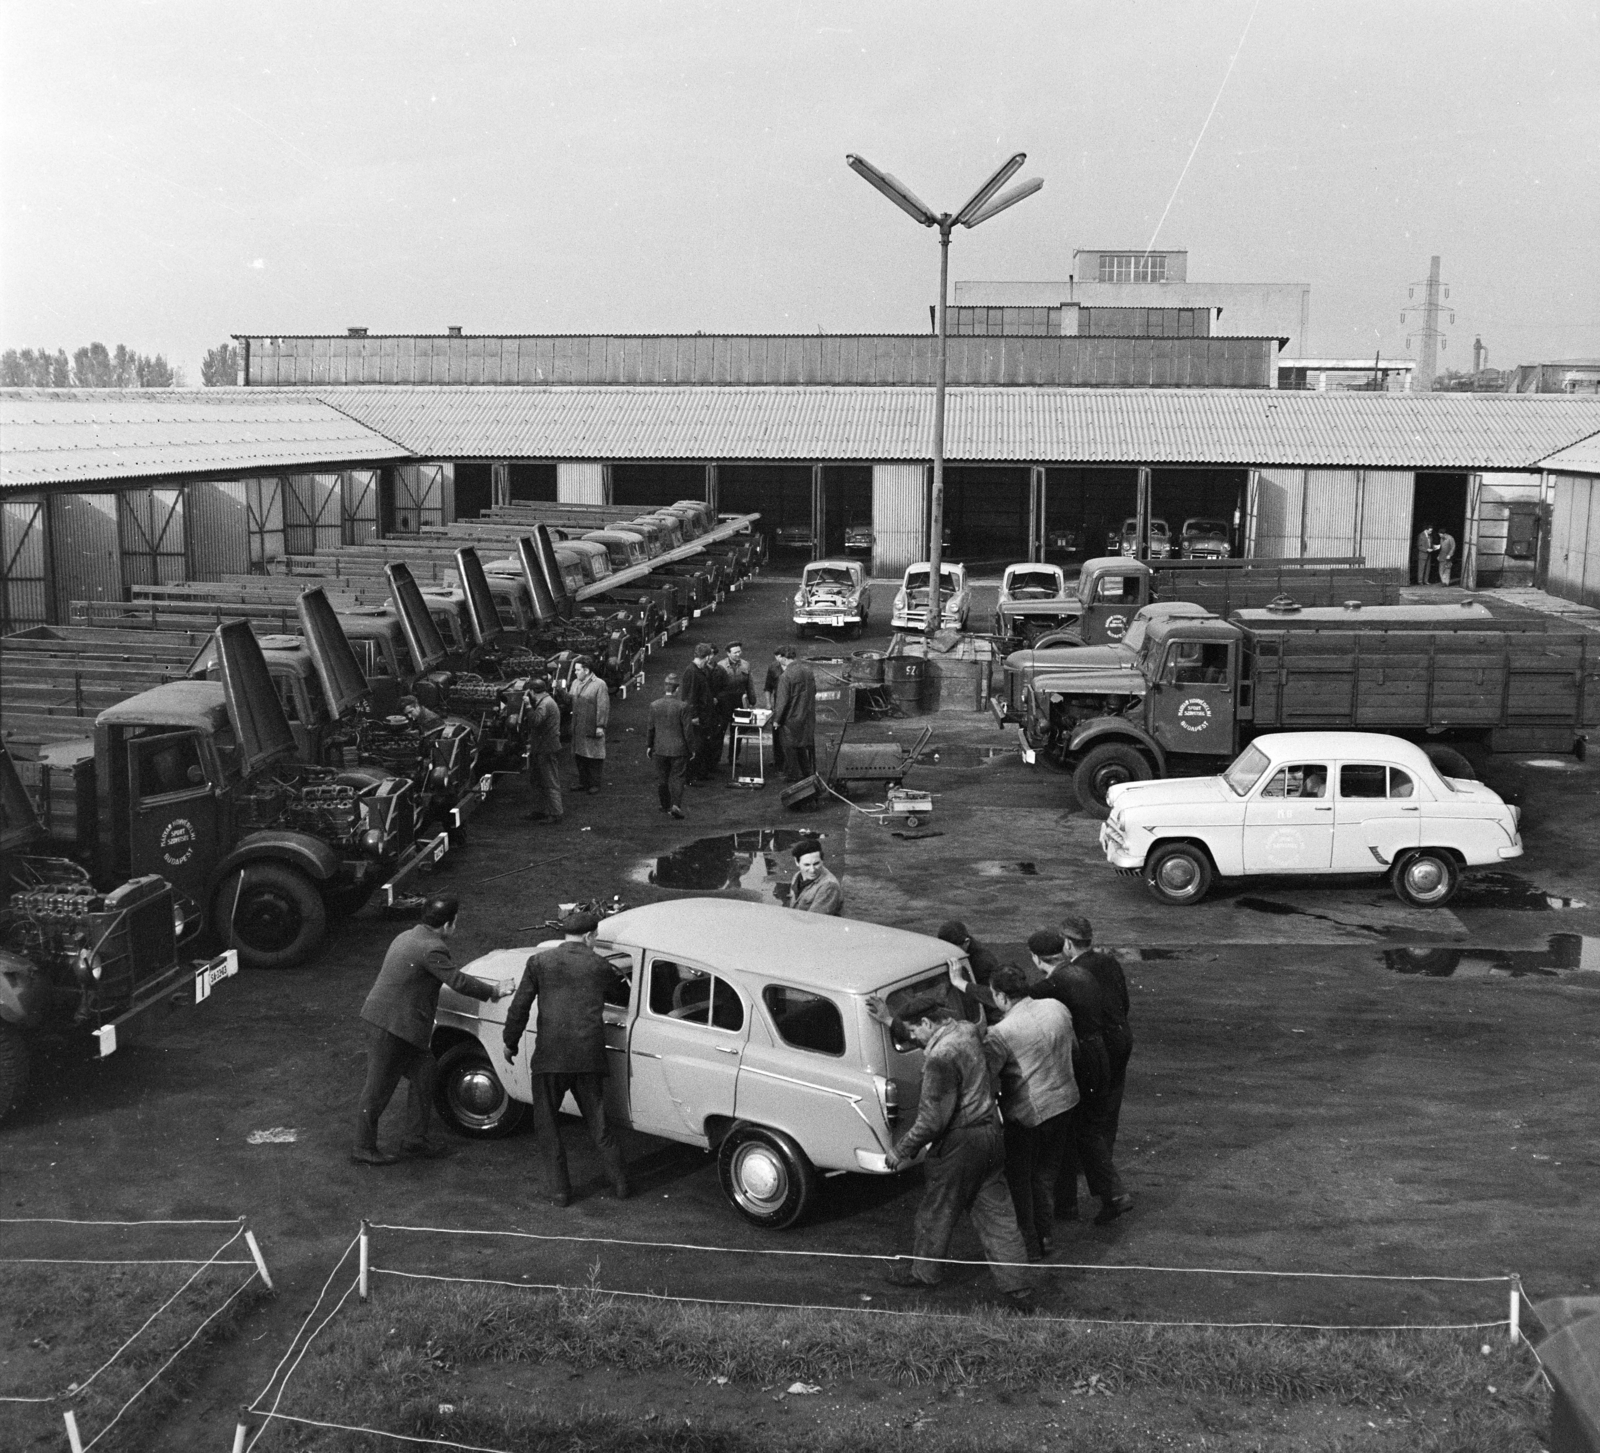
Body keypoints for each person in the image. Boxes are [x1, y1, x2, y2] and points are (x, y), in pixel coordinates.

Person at [862, 993, 1036, 1310]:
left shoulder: (939, 1060)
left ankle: (925, 1273)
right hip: (991, 1136)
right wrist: (891, 1019)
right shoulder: (967, 1029)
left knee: (936, 1211)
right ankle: (1019, 1289)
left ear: (927, 1023)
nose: (911, 1040)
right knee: (999, 1217)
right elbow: (934, 1031)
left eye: (914, 1032)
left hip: (959, 1145)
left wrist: (900, 1150)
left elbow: (931, 1121)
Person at [352, 897, 509, 1165]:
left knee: (425, 1072)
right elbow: (457, 981)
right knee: (377, 1088)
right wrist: (495, 991)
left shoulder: (407, 936)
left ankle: (415, 1140)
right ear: (448, 924)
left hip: (393, 1022)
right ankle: (363, 1148)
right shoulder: (432, 948)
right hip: (393, 1027)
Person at [501, 908, 631, 1207]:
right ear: (588, 936)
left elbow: (520, 1005)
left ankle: (561, 1192)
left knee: (547, 1126)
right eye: (595, 936)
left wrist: (510, 1042)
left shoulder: (538, 962)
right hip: (589, 1057)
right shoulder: (600, 966)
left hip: (550, 1057)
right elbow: (619, 994)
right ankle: (621, 1183)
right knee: (599, 1124)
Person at [1023, 929, 1131, 1226]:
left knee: (1071, 1131)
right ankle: (1109, 1195)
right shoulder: (1081, 973)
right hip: (1100, 1057)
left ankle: (1077, 1203)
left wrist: (964, 985)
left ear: (1036, 958)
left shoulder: (1056, 982)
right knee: (1087, 1131)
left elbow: (1016, 1001)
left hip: (1081, 1060)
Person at [982, 963, 1079, 1261]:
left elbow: (989, 1077)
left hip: (1029, 1114)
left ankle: (1031, 1243)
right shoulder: (1056, 1008)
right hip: (1065, 1102)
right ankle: (1045, 1235)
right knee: (1046, 1176)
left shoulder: (1001, 1032)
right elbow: (1073, 1049)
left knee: (1021, 1182)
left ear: (999, 996)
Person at [1062, 916, 1132, 1158]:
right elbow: (1124, 1002)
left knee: (1090, 1106)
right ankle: (1104, 1156)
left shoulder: (1074, 973)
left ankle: (1092, 1163)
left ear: (1068, 944)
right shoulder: (1109, 962)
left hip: (1099, 1045)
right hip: (1122, 1037)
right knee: (1111, 1105)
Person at [647, 672, 695, 819]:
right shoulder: (683, 706)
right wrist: (691, 749)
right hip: (679, 749)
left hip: (660, 748)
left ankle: (665, 805)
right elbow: (687, 730)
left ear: (665, 687)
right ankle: (675, 805)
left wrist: (649, 745)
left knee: (662, 778)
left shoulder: (654, 705)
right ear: (677, 689)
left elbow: (651, 728)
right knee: (678, 777)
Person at [771, 647, 817, 782]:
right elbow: (814, 691)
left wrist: (776, 720)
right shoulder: (808, 671)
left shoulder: (786, 676)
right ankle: (807, 772)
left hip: (791, 719)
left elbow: (782, 701)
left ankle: (793, 774)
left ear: (785, 658)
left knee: (789, 746)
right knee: (801, 745)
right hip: (807, 716)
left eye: (779, 658)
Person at [522, 676, 563, 824]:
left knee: (549, 781)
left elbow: (535, 721)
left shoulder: (545, 704)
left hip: (546, 748)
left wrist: (527, 705)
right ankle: (541, 810)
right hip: (541, 747)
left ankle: (555, 813)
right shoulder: (546, 701)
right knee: (538, 780)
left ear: (532, 691)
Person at [568, 655, 609, 794]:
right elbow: (570, 699)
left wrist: (600, 726)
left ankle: (594, 784)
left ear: (586, 670)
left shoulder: (599, 684)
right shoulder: (575, 683)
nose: (575, 672)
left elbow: (603, 706)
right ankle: (583, 782)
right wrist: (560, 691)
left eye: (577, 670)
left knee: (594, 756)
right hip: (579, 726)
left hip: (592, 725)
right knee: (580, 755)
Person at [679, 643, 719, 784]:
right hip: (697, 717)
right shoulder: (692, 672)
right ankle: (691, 777)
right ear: (707, 656)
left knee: (702, 745)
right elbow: (689, 697)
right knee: (696, 745)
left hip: (704, 715)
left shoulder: (698, 670)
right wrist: (694, 716)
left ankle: (700, 773)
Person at [716, 641, 756, 764]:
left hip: (739, 702)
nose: (738, 654)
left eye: (739, 651)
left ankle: (733, 758)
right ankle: (715, 760)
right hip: (724, 703)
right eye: (735, 652)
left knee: (737, 731)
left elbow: (749, 684)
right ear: (728, 653)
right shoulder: (720, 666)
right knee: (720, 732)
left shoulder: (745, 665)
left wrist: (752, 700)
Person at [785, 835, 843, 915]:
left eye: (816, 863)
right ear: (797, 862)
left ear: (822, 860)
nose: (812, 870)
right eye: (807, 865)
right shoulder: (797, 876)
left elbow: (814, 920)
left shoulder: (829, 886)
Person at [937, 921, 1003, 987]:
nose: (948, 953)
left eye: (953, 949)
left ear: (966, 942)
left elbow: (985, 994)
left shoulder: (983, 963)